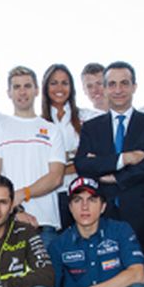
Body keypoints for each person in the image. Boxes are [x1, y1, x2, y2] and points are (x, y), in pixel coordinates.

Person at [76, 60, 144, 278]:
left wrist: (117, 178)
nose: (118, 90)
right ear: (106, 88)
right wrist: (123, 159)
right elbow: (83, 165)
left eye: (124, 83)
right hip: (103, 218)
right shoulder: (91, 127)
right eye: (112, 84)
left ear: (134, 87)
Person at [0, 66, 65, 247]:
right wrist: (15, 209)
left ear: (36, 90)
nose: (22, 92)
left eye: (27, 86)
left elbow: (56, 177)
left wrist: (23, 193)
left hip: (46, 224)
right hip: (8, 224)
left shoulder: (52, 130)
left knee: (47, 276)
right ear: (9, 93)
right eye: (17, 87)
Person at [40, 63, 98, 231]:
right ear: (45, 87)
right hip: (50, 197)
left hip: (82, 194)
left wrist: (57, 167)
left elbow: (92, 158)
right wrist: (73, 159)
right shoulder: (38, 123)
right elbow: (38, 164)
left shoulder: (88, 117)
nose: (59, 88)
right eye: (53, 83)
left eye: (65, 83)